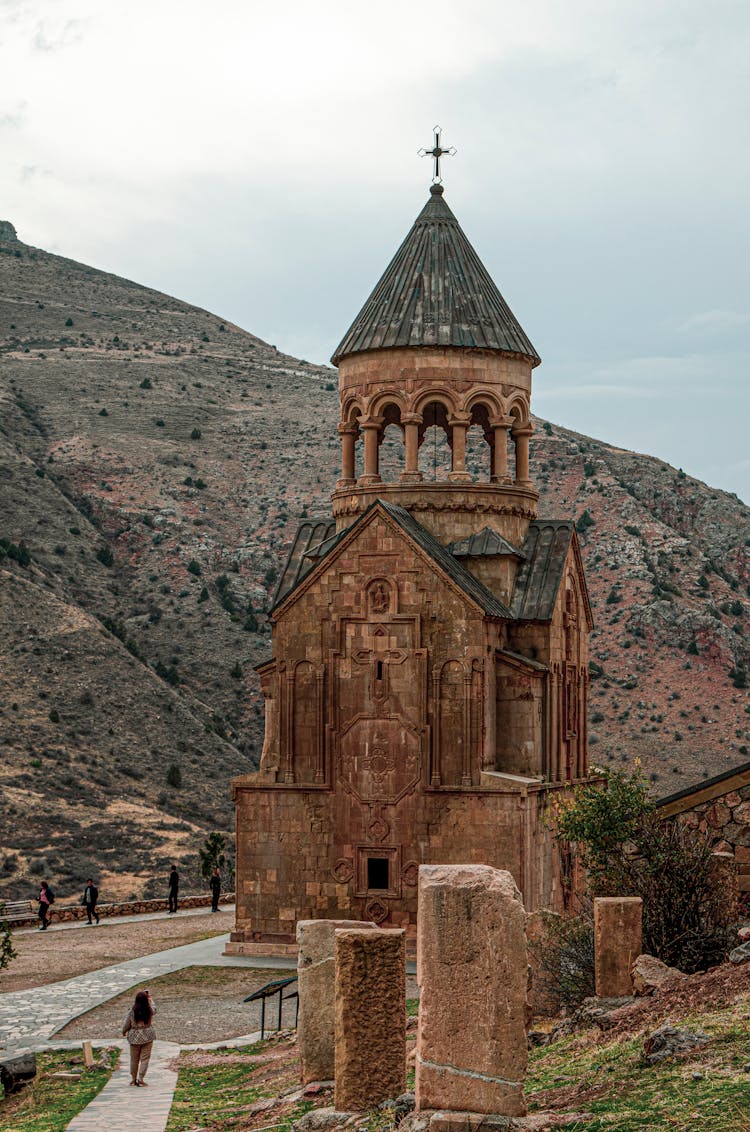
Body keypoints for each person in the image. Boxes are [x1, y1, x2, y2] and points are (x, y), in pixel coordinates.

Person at [122, 990, 156, 1086]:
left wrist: (124, 1031)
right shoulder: (149, 1010)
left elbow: (126, 1024)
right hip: (148, 1036)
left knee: (134, 1059)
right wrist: (151, 1000)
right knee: (145, 1059)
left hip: (134, 1037)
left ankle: (133, 1079)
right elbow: (155, 1008)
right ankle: (141, 1079)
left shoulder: (132, 1011)